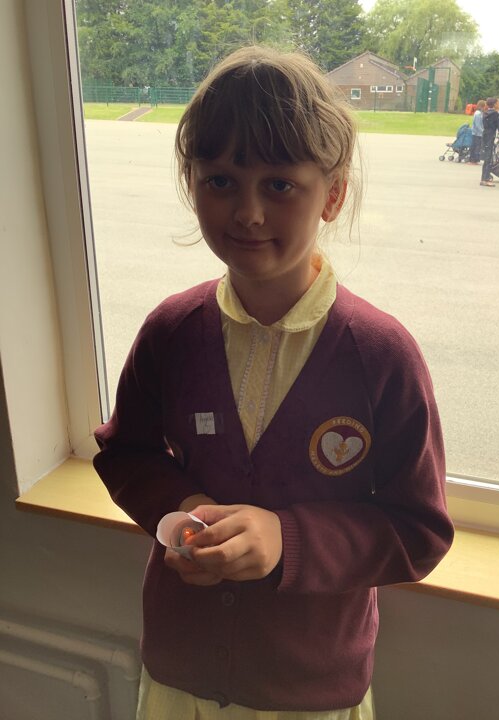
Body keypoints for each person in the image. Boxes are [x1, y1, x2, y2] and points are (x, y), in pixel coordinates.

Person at [93, 46, 454, 720]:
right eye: (220, 181)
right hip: (179, 674)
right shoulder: (171, 332)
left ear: (332, 194)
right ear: (191, 183)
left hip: (310, 690)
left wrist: (287, 540)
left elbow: (418, 529)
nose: (248, 213)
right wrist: (184, 506)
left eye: (280, 185)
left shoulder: (381, 356)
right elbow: (126, 453)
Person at [480, 97, 499, 186]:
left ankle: (485, 178)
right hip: (491, 137)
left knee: (487, 158)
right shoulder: (496, 114)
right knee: (489, 159)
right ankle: (485, 179)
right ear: (495, 104)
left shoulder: (486, 112)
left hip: (486, 136)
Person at [468, 99, 486, 164]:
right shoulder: (478, 114)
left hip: (478, 133)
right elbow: (478, 125)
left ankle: (474, 159)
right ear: (481, 106)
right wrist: (483, 131)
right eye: (484, 106)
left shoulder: (480, 113)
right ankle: (473, 160)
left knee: (477, 146)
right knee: (476, 147)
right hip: (477, 133)